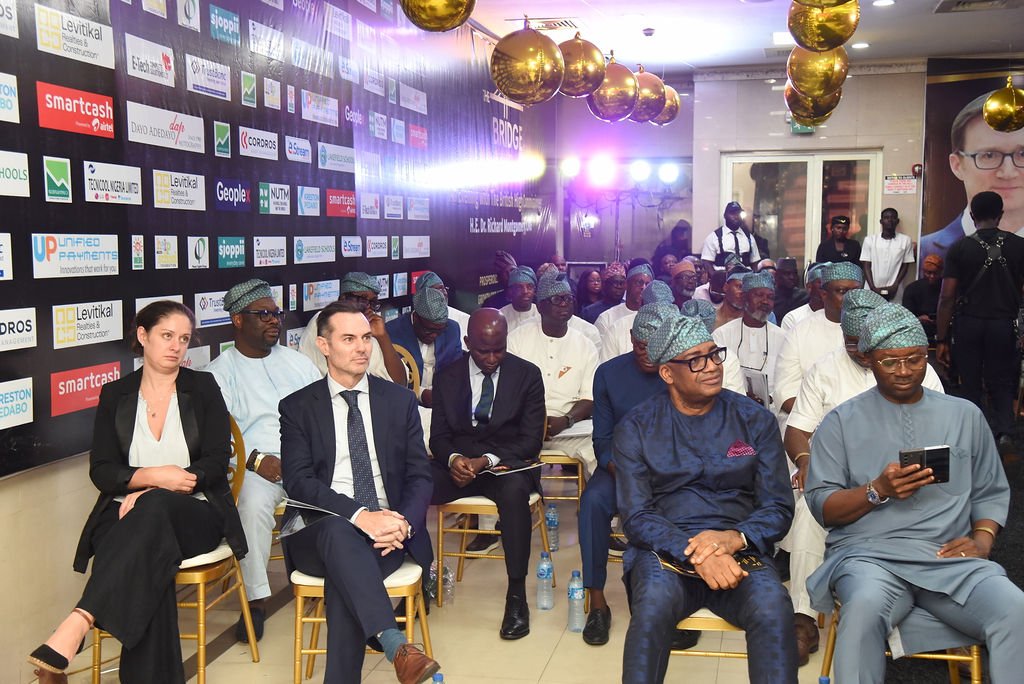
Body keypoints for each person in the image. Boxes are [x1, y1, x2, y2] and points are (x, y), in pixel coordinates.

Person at [28, 301, 247, 684]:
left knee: (154, 511)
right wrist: (152, 475)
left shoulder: (202, 387)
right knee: (151, 557)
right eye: (167, 336)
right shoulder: (116, 393)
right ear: (143, 336)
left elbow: (215, 462)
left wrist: (156, 489)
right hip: (124, 514)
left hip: (195, 513)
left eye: (183, 339)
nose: (176, 346)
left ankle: (78, 622)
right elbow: (102, 470)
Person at [805, 303, 1024, 683]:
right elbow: (823, 506)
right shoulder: (839, 422)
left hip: (947, 557)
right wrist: (877, 490)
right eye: (890, 361)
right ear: (868, 360)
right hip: (870, 557)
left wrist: (982, 540)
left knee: (1015, 610)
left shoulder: (964, 415)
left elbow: (990, 489)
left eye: (915, 359)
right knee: (862, 612)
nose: (904, 371)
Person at [616, 310, 797, 684]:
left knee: (773, 608)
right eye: (696, 360)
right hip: (665, 551)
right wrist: (698, 552)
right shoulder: (637, 426)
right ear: (668, 373)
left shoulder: (754, 420)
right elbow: (636, 515)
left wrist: (732, 539)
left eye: (715, 354)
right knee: (652, 608)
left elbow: (778, 505)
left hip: (740, 548)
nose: (712, 366)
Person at [780, 290, 945, 665]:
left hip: (905, 481)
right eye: (849, 341)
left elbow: (941, 436)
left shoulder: (916, 369)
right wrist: (806, 462)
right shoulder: (825, 369)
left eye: (863, 343)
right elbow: (797, 429)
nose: (856, 350)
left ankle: (916, 610)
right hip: (840, 481)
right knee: (808, 513)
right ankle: (803, 618)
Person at [279, 299, 439, 684]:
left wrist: (403, 523)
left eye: (366, 337)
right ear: (324, 345)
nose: (362, 347)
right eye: (349, 339)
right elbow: (298, 481)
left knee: (346, 576)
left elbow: (420, 475)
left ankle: (389, 651)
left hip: (388, 535)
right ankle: (395, 643)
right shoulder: (298, 407)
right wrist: (360, 516)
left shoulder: (398, 401)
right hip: (317, 531)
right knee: (339, 531)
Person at [581, 301, 702, 649]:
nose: (646, 354)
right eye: (639, 345)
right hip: (619, 469)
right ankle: (597, 602)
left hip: (672, 472)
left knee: (689, 505)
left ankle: (680, 600)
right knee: (592, 503)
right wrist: (625, 472)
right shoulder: (609, 373)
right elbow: (602, 439)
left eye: (654, 347)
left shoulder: (683, 371)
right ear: (631, 337)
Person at [206, 279, 321, 643]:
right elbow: (216, 437)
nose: (275, 321)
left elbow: (324, 413)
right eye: (264, 315)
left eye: (277, 314)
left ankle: (333, 578)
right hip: (256, 468)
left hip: (308, 460)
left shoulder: (298, 364)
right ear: (238, 320)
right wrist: (256, 461)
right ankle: (255, 601)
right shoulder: (218, 374)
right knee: (252, 504)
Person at [428, 309, 546, 640]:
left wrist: (486, 460)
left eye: (499, 350)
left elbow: (531, 441)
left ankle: (516, 596)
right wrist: (453, 459)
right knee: (412, 484)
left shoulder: (527, 375)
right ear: (467, 343)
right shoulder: (447, 375)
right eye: (483, 351)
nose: (492, 359)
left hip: (505, 464)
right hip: (460, 466)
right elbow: (438, 437)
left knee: (514, 493)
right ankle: (417, 578)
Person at [936, 190, 1024, 449]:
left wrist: (941, 339)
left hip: (968, 325)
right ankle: (1005, 432)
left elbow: (947, 297)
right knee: (1003, 381)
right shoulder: (1020, 246)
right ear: (1000, 215)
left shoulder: (959, 248)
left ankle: (974, 434)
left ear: (973, 216)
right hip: (1004, 325)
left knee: (970, 381)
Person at [920, 91, 1024, 267]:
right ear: (957, 165)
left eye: (1023, 154)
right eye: (989, 155)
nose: (1008, 173)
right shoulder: (927, 248)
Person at [508, 274, 599, 474]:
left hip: (568, 429)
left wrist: (566, 420)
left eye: (569, 299)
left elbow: (589, 398)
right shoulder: (516, 340)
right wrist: (533, 422)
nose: (564, 304)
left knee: (599, 449)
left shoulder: (585, 345)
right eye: (557, 299)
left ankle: (596, 495)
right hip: (520, 427)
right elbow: (507, 392)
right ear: (540, 306)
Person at [775, 262, 864, 415]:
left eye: (856, 291)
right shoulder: (799, 333)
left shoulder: (874, 330)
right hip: (811, 421)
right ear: (824, 294)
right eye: (842, 291)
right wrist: (826, 422)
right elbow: (786, 392)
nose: (851, 298)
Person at [299, 272, 406, 384]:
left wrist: (383, 337)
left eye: (373, 302)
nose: (368, 307)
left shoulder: (371, 326)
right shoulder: (324, 320)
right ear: (343, 299)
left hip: (374, 393)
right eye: (363, 300)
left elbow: (400, 382)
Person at [713, 272, 786, 421]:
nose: (765, 301)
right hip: (731, 414)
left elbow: (788, 381)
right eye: (759, 295)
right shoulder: (722, 335)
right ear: (744, 297)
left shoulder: (784, 338)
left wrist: (769, 399)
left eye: (770, 297)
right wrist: (742, 398)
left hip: (772, 415)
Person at [385, 286, 463, 409]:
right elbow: (387, 378)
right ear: (415, 317)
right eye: (429, 330)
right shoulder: (391, 332)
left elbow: (457, 371)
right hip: (403, 404)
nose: (434, 336)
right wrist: (420, 394)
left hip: (443, 403)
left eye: (439, 331)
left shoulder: (452, 330)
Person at [861, 208, 915, 301]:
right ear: (881, 221)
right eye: (886, 218)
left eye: (893, 218)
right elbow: (866, 266)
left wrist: (895, 285)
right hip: (872, 288)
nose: (890, 220)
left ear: (897, 221)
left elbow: (905, 266)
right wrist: (872, 287)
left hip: (895, 289)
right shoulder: (870, 240)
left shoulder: (905, 240)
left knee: (893, 310)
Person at [595, 263, 654, 342]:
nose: (643, 287)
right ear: (626, 284)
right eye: (639, 282)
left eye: (648, 284)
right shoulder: (607, 318)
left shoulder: (655, 318)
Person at [413, 271, 470, 344]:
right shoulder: (401, 327)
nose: (443, 293)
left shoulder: (458, 323)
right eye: (436, 290)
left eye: (443, 288)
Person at [701, 201, 761, 269]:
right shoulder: (714, 237)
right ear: (725, 216)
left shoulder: (749, 237)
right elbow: (707, 263)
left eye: (739, 213)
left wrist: (754, 275)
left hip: (746, 274)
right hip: (722, 274)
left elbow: (755, 263)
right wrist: (716, 275)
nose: (736, 216)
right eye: (732, 213)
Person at [902, 254, 943, 342]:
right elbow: (905, 318)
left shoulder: (946, 289)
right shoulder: (912, 289)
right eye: (929, 273)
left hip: (941, 331)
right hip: (917, 333)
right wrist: (919, 319)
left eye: (935, 273)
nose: (932, 276)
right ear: (923, 271)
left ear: (941, 272)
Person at [781, 262, 827, 332]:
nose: (826, 291)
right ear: (809, 287)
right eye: (822, 287)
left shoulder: (839, 317)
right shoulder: (793, 318)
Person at [499, 265, 539, 331]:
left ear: (534, 290)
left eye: (529, 287)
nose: (525, 291)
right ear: (510, 291)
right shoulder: (500, 316)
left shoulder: (541, 314)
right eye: (519, 287)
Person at [713, 266, 749, 331]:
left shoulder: (753, 322)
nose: (743, 292)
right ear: (726, 287)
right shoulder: (709, 319)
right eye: (739, 287)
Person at [773, 257, 808, 323]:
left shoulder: (804, 297)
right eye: (787, 274)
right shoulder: (770, 297)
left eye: (794, 273)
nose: (792, 277)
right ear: (777, 275)